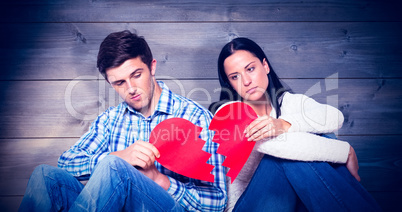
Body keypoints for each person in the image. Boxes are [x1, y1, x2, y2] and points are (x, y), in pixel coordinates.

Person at [19, 30, 227, 212]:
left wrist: (159, 179)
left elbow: (218, 201)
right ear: (111, 84)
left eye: (136, 75)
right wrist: (121, 156)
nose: (130, 88)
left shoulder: (194, 117)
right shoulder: (110, 120)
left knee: (114, 167)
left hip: (167, 206)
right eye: (119, 82)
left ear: (152, 67)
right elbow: (66, 162)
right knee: (46, 177)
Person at [210, 37, 382, 211]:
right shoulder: (229, 113)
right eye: (235, 77)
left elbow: (334, 117)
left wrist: (284, 124)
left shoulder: (289, 102)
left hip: (289, 202)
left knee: (318, 136)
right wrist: (344, 151)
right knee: (289, 155)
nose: (246, 81)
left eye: (251, 69)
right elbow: (279, 148)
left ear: (265, 66)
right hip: (248, 205)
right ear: (230, 85)